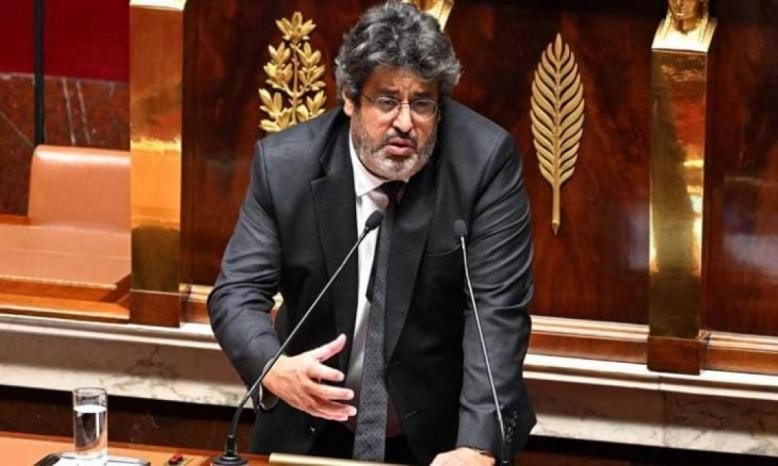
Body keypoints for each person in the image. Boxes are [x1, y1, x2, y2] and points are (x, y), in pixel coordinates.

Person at [208, 2, 535, 465]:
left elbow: (497, 313)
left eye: (422, 103)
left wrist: (477, 445)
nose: (404, 122)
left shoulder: (483, 163)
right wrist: (273, 369)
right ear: (349, 98)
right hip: (306, 428)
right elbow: (236, 293)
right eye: (386, 101)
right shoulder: (286, 167)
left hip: (439, 440)